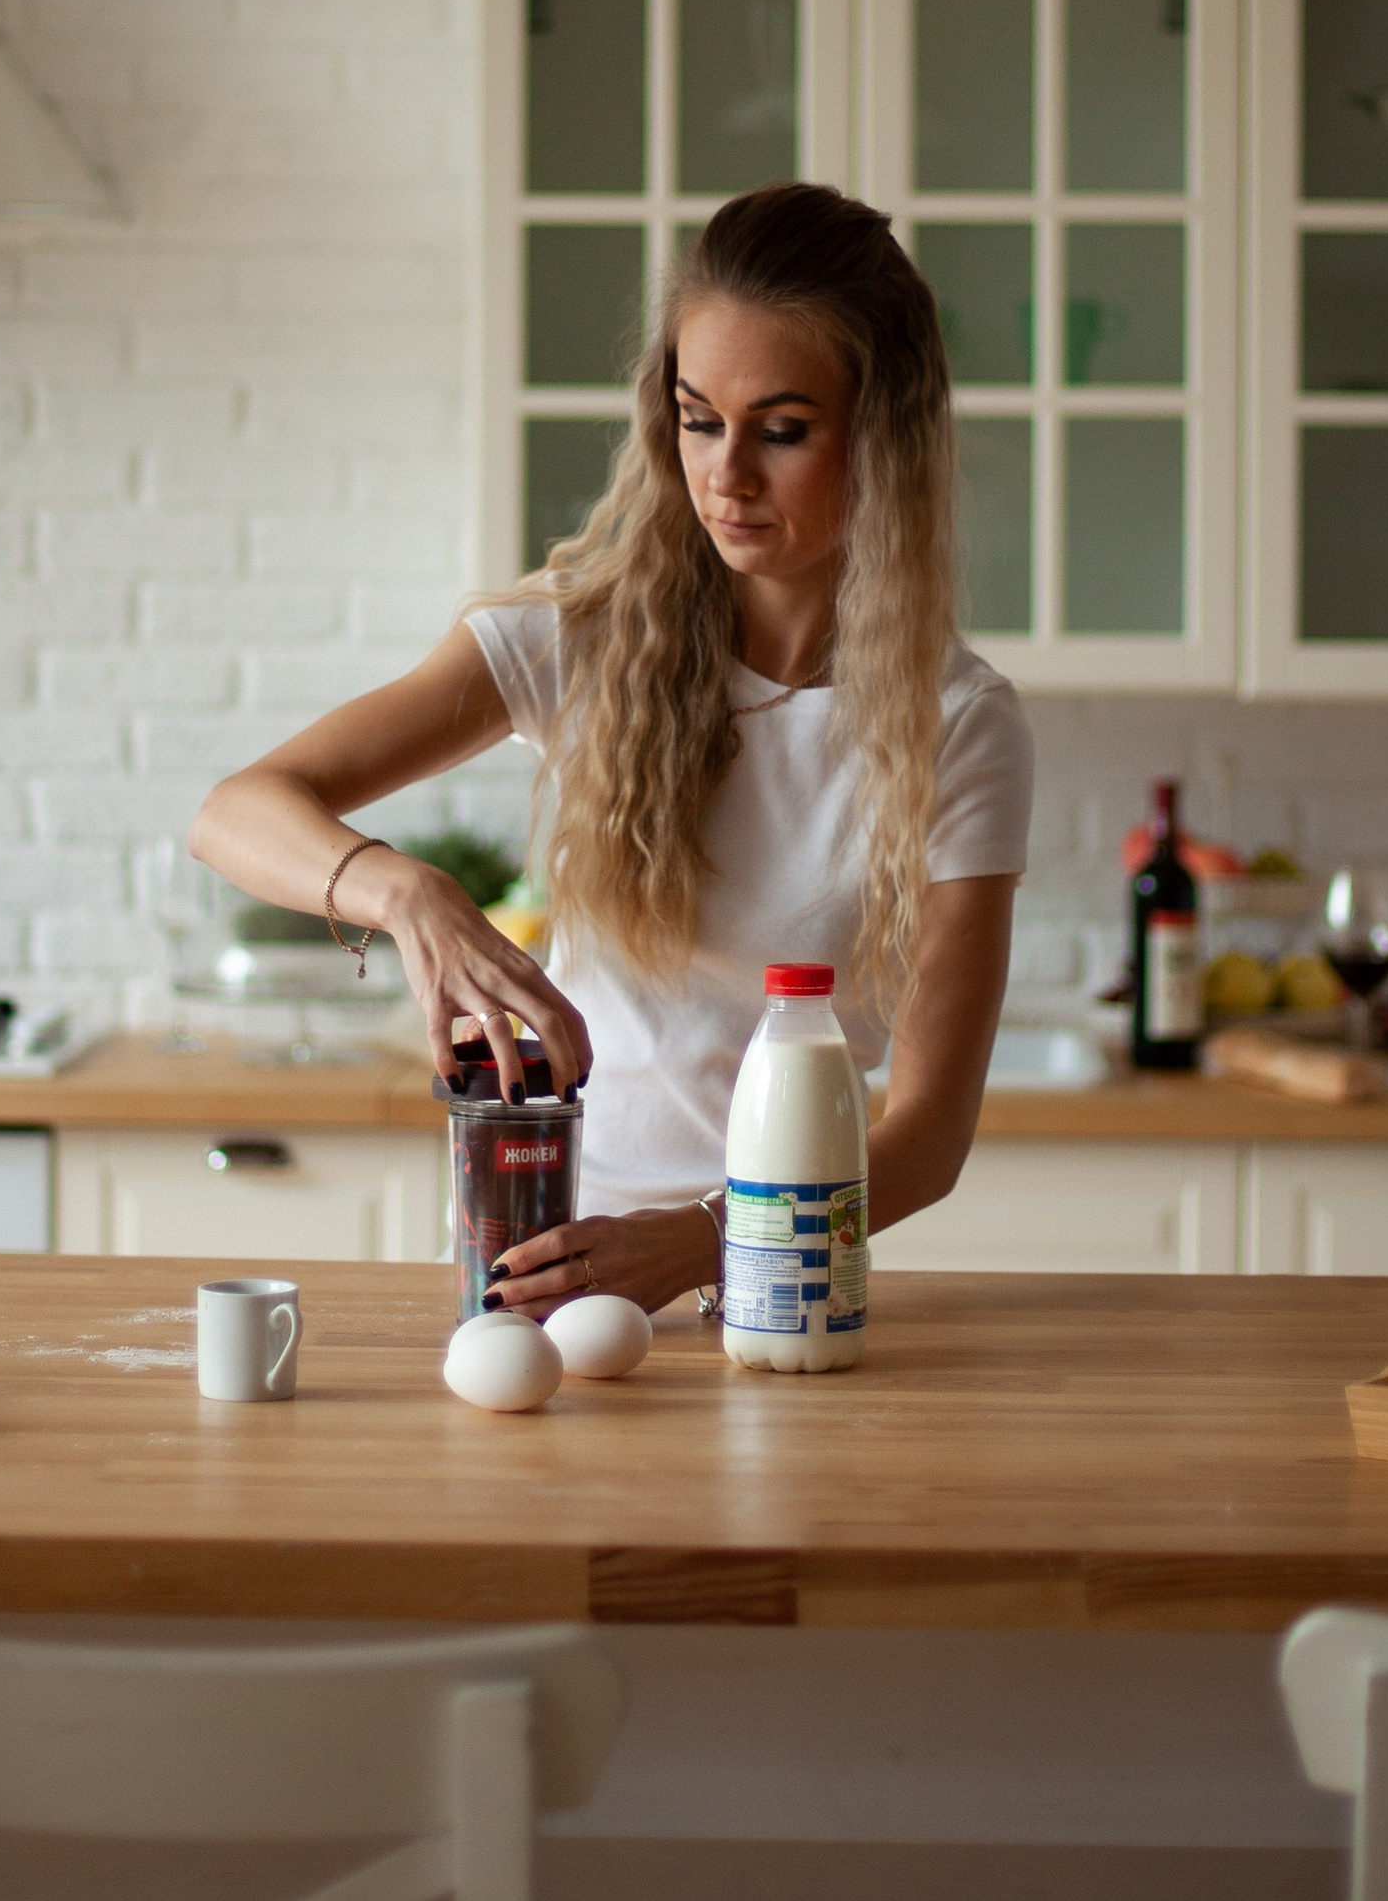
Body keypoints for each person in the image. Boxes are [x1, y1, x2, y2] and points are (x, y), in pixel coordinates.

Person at [192, 181, 1032, 1317]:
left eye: (781, 431)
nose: (725, 473)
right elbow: (238, 810)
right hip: (547, 1267)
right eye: (697, 417)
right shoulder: (579, 638)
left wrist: (696, 1244)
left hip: (778, 1290)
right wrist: (409, 894)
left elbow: (926, 1140)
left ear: (883, 435)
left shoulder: (961, 724)